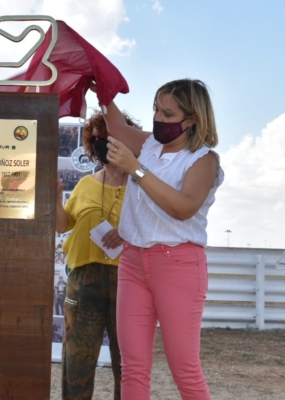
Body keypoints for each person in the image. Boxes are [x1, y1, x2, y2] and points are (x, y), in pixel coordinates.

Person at [100, 78, 224, 399]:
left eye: (168, 114)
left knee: (184, 368)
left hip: (179, 266)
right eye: (156, 109)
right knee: (133, 368)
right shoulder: (151, 145)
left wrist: (135, 168)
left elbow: (183, 208)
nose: (158, 119)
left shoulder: (204, 160)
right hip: (132, 262)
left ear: (193, 119)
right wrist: (98, 82)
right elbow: (114, 124)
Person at [56, 109, 141, 400]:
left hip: (130, 279)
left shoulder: (144, 184)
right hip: (84, 280)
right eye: (95, 139)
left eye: (105, 135)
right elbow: (62, 224)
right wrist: (55, 197)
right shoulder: (86, 184)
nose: (99, 142)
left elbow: (159, 227)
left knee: (128, 363)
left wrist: (128, 232)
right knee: (77, 360)